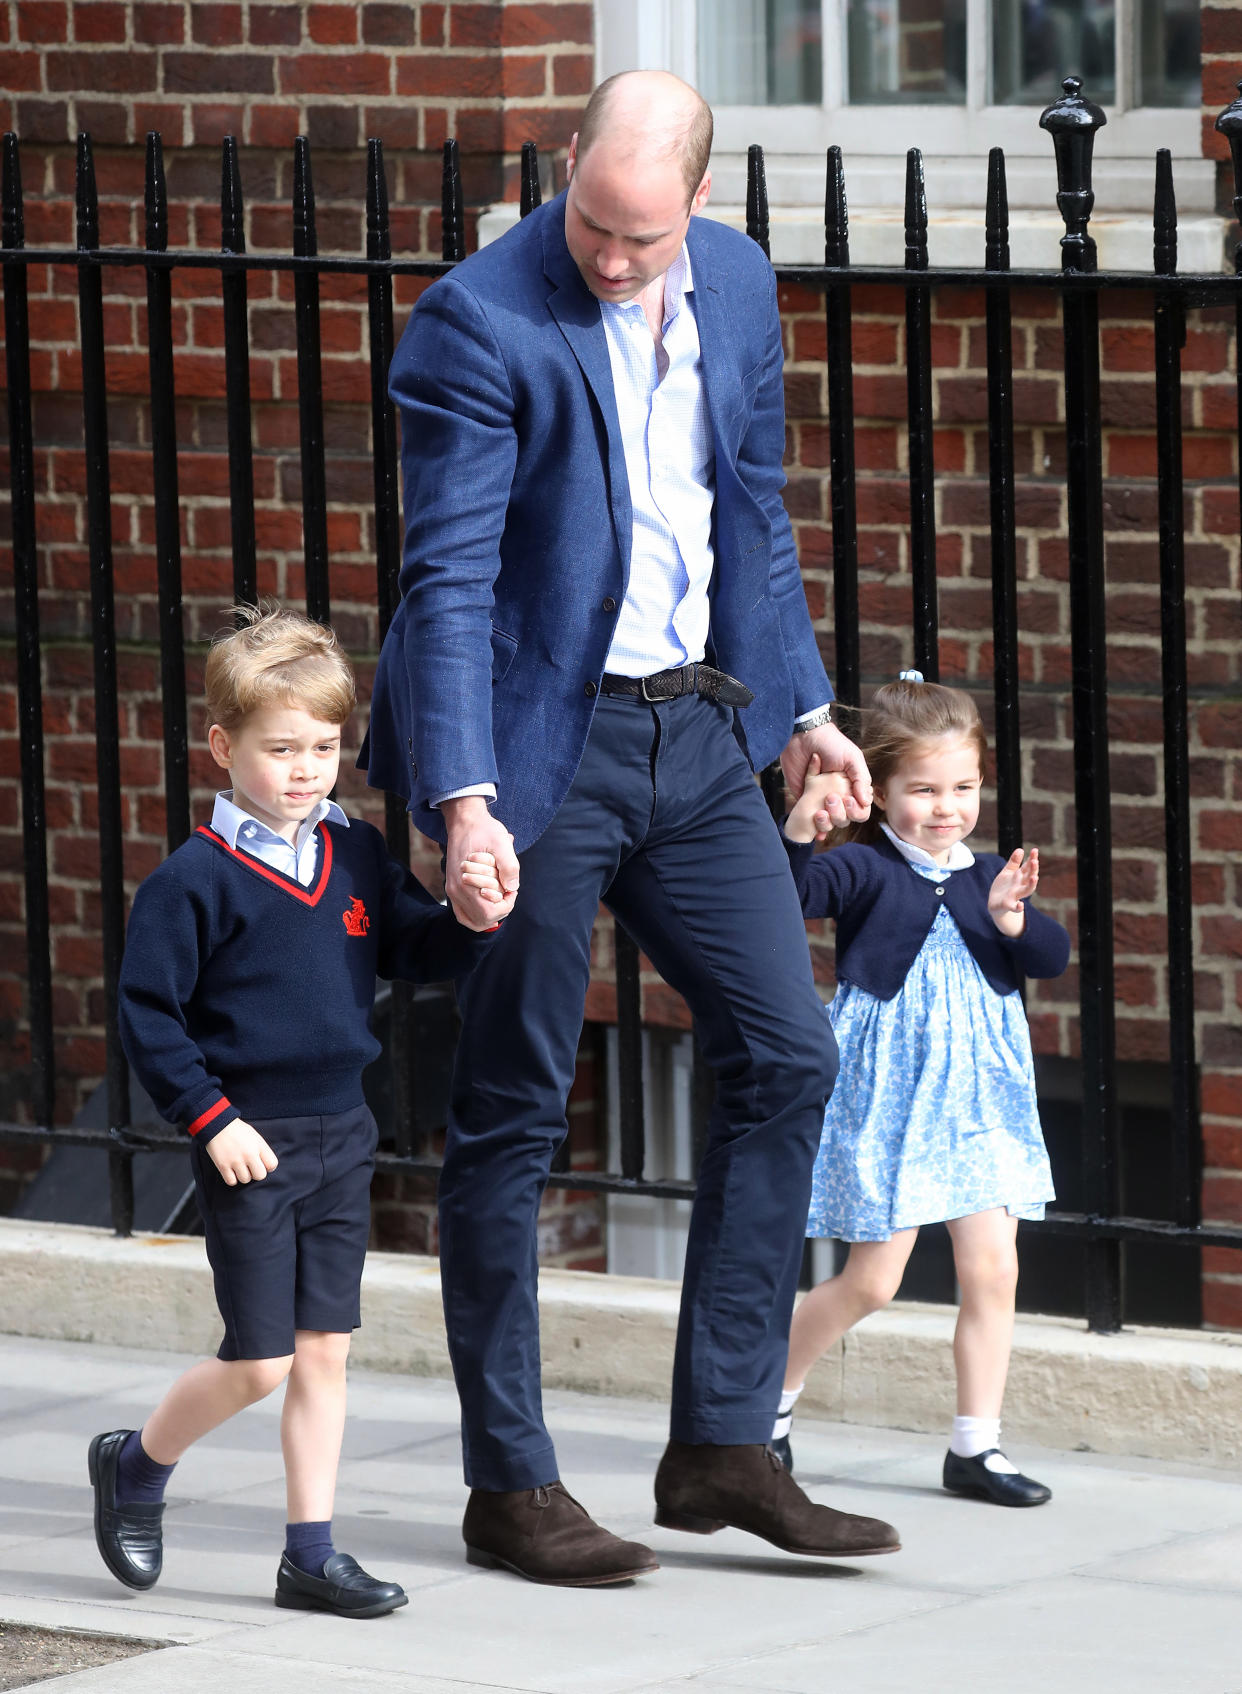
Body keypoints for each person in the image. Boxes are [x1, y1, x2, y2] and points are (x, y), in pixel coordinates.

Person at [361, 69, 902, 1584]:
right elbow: (447, 584)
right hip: (541, 747)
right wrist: (458, 800)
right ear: (568, 173)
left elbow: (754, 507)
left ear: (699, 209)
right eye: (593, 223)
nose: (610, 257)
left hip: (695, 730)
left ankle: (724, 1442)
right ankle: (509, 1482)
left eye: (641, 238)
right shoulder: (479, 321)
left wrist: (801, 708)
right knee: (518, 1107)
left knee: (785, 1052)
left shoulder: (732, 283)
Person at [92, 604, 502, 1616]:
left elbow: (407, 947)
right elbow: (149, 1016)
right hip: (250, 1145)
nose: (307, 766)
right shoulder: (192, 884)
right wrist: (211, 1117)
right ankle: (136, 1464)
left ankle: (310, 1551)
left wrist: (470, 919)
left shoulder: (354, 854)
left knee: (326, 1350)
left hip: (342, 1135)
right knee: (260, 1358)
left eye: (323, 746)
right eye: (282, 748)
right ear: (225, 747)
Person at [769, 672, 1070, 1506]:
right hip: (893, 1092)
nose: (947, 808)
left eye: (964, 788)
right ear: (880, 787)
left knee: (993, 1270)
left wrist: (1015, 920)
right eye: (924, 790)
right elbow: (784, 897)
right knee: (873, 1281)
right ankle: (764, 1409)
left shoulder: (986, 878)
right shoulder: (864, 869)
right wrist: (798, 827)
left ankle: (977, 1446)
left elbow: (1049, 958)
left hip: (981, 1100)